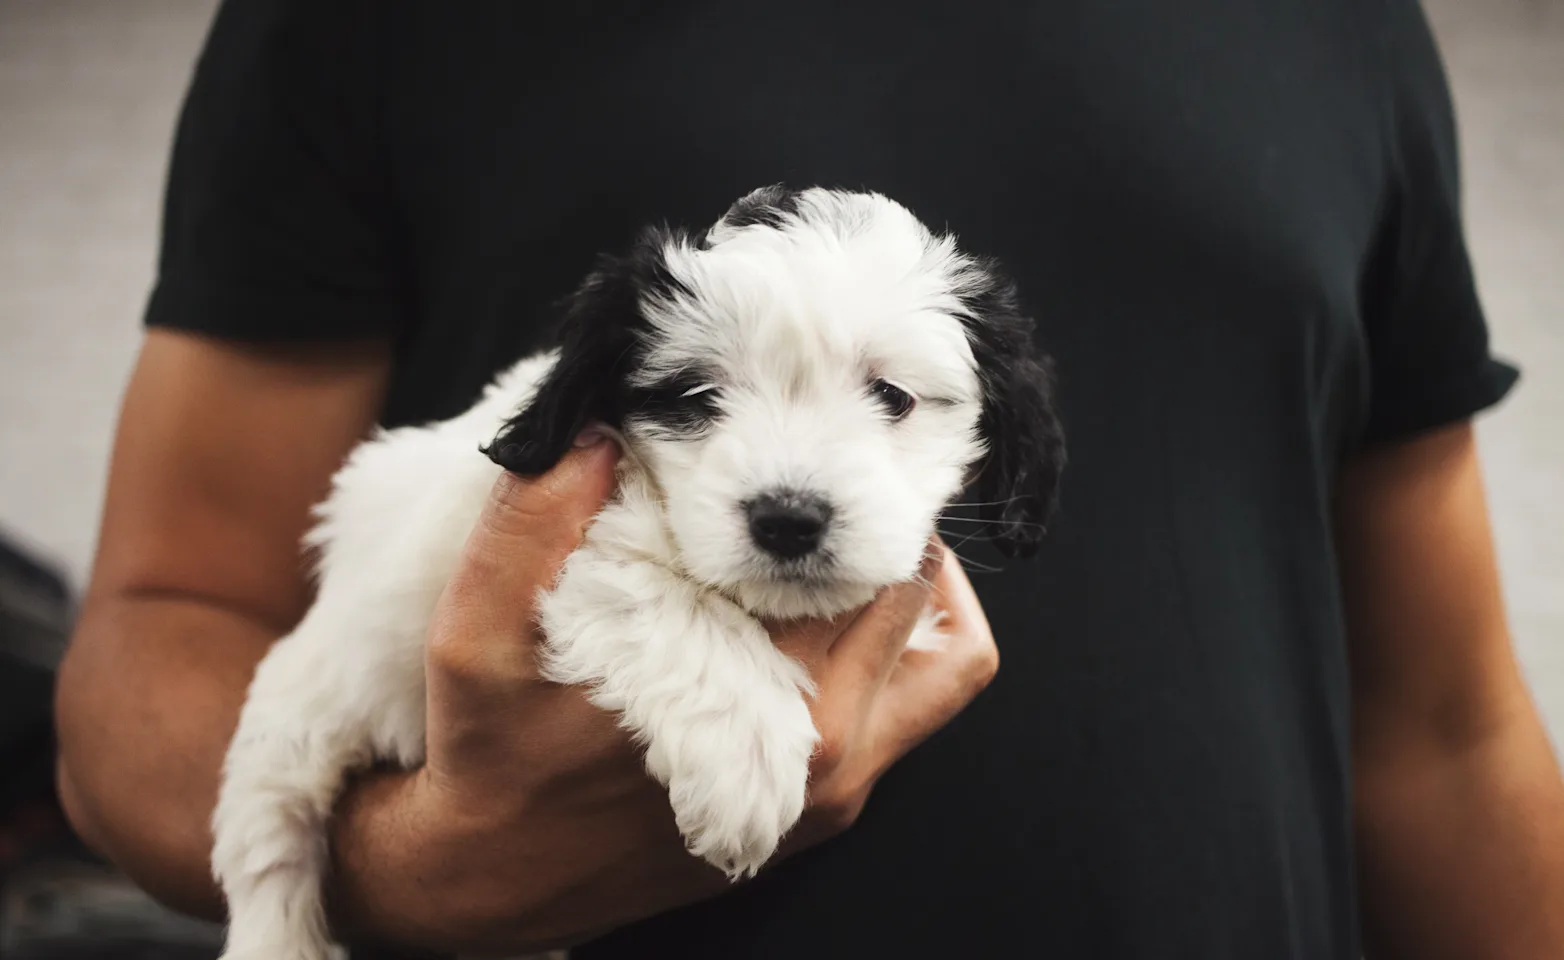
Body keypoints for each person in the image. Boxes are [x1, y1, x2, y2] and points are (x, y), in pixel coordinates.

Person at [53, 0, 1564, 957]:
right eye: (699, 398)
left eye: (893, 398)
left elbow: (1450, 732)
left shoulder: (1353, 29)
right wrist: (425, 872)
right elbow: (167, 616)